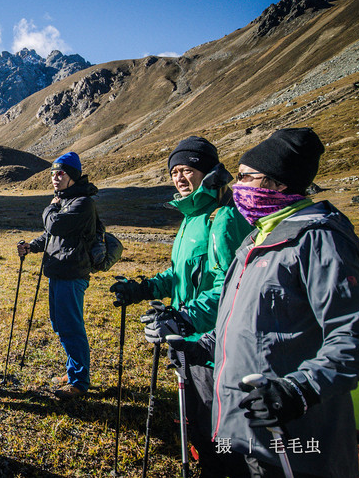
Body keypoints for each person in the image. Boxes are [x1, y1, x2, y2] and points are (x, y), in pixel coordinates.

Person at [209, 128, 359, 477]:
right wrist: (201, 342)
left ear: (277, 184)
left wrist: (299, 389)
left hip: (294, 438)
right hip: (243, 429)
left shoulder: (320, 240)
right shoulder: (256, 237)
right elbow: (247, 321)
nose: (238, 186)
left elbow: (353, 336)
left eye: (247, 177)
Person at [109, 136, 252, 477]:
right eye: (174, 172)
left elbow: (228, 285)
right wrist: (142, 288)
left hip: (215, 341)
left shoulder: (223, 218)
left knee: (216, 425)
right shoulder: (191, 216)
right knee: (196, 420)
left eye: (187, 170)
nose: (179, 178)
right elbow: (179, 273)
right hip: (186, 336)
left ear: (207, 171)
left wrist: (185, 317)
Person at [17, 151, 98, 400]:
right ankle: (73, 371)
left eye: (60, 173)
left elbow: (54, 225)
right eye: (53, 173)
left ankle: (79, 382)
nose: (55, 177)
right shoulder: (66, 201)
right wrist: (33, 245)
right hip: (59, 272)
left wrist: (49, 209)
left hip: (72, 274)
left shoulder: (82, 203)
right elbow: (53, 235)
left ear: (73, 176)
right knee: (60, 324)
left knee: (71, 327)